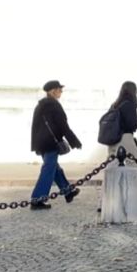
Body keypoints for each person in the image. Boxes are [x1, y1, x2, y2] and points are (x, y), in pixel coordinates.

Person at [102, 81, 137, 208]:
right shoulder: (129, 104)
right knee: (136, 165)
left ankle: (104, 201)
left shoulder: (115, 104)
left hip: (112, 139)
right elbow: (130, 125)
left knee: (110, 168)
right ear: (133, 91)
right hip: (125, 138)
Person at [30, 80, 83, 209]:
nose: (61, 92)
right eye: (60, 90)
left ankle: (67, 191)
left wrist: (35, 145)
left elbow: (34, 127)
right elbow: (63, 126)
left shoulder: (40, 105)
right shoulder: (54, 105)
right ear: (53, 91)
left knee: (54, 168)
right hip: (50, 143)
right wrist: (74, 141)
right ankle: (37, 199)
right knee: (49, 169)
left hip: (41, 143)